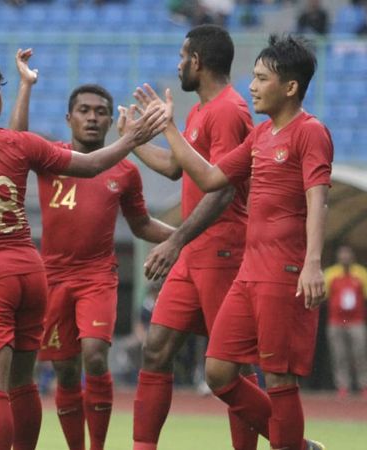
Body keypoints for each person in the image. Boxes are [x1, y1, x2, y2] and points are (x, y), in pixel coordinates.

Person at [0, 54, 169, 450]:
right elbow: (88, 165)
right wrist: (130, 140)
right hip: (33, 272)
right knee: (22, 382)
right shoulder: (21, 144)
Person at [134, 34, 332, 450]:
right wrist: (166, 127)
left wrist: (313, 262)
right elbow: (208, 177)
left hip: (284, 271)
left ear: (290, 87)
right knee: (219, 371)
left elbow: (319, 201)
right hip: (248, 272)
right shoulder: (260, 136)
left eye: (261, 79)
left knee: (278, 377)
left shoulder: (310, 133)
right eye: (254, 77)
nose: (253, 86)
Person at [9, 49, 175, 450]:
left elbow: (140, 225)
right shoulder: (54, 158)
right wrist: (26, 86)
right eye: (83, 110)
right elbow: (15, 141)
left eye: (100, 111)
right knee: (65, 371)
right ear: (69, 119)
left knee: (95, 356)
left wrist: (185, 235)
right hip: (52, 278)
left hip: (98, 277)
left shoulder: (125, 170)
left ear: (108, 119)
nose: (93, 117)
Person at [124, 25, 256, 450]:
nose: (178, 63)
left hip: (223, 249)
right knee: (156, 348)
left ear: (197, 61)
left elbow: (223, 191)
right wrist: (131, 140)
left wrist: (175, 240)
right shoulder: (200, 111)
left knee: (229, 367)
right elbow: (177, 167)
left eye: (183, 56)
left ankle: (284, 437)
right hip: (194, 252)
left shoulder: (230, 111)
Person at [323, 244, 367, 400]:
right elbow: (324, 296)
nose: (345, 257)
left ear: (352, 256)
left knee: (361, 354)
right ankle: (343, 386)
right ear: (338, 257)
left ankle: (365, 385)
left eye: (347, 254)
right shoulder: (330, 273)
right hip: (336, 321)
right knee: (339, 355)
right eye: (342, 254)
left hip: (357, 321)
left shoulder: (362, 273)